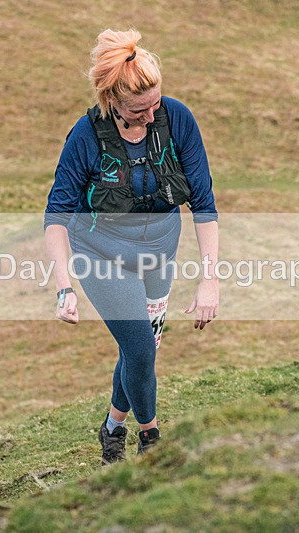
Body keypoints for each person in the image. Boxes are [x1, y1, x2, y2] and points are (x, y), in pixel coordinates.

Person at [44, 28, 219, 464]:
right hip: (101, 255)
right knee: (140, 348)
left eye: (155, 103)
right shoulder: (86, 136)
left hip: (160, 252)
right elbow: (56, 217)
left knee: (139, 350)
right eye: (139, 109)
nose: (151, 114)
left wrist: (210, 280)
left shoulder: (178, 119)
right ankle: (151, 440)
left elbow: (204, 204)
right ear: (112, 101)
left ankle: (111, 429)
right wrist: (64, 287)